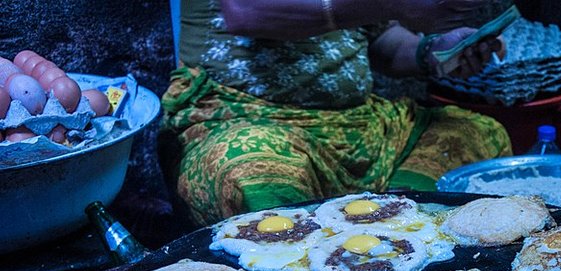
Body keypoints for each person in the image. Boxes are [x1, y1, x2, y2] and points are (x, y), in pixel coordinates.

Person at [160, 0, 513, 225]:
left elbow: (383, 43)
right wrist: (394, 4)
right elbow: (247, 10)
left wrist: (432, 51)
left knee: (476, 136)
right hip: (247, 121)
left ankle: (396, 237)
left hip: (362, 128)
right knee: (252, 174)